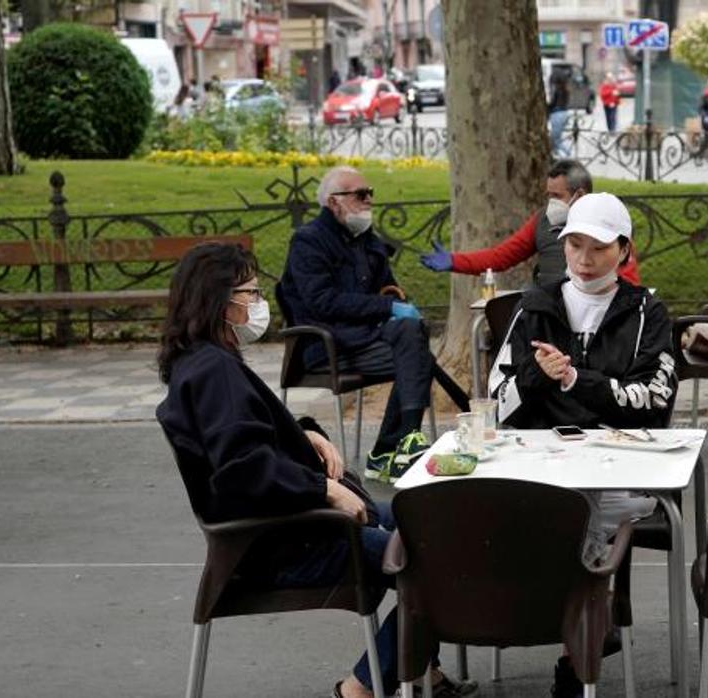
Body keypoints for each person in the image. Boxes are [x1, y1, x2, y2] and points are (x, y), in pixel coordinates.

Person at [155, 243, 474, 698]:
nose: (258, 302)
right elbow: (242, 469)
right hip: (286, 541)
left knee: (423, 520)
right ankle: (362, 687)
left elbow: (246, 434)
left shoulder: (203, 361)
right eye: (250, 292)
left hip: (286, 527)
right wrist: (323, 489)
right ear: (219, 301)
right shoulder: (213, 371)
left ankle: (420, 669)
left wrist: (303, 434)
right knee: (433, 564)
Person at [486, 192, 677, 697]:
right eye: (574, 245)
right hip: (544, 461)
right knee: (550, 506)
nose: (584, 259)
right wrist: (538, 378)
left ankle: (576, 646)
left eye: (598, 247)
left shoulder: (647, 313)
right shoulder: (535, 306)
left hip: (620, 466)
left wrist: (575, 380)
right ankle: (586, 627)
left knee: (584, 509)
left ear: (624, 251)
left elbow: (654, 399)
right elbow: (497, 398)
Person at [280, 166, 456, 482]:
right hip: (327, 345)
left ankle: (396, 446)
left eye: (370, 193)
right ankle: (397, 445)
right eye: (361, 195)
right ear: (334, 202)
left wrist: (396, 304)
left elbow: (388, 289)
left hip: (368, 339)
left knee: (412, 338)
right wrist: (389, 306)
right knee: (416, 353)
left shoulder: (368, 241)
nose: (369, 201)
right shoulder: (308, 242)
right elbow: (323, 302)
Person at [418, 159, 640, 287]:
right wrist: (455, 261)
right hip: (549, 308)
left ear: (579, 195)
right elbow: (501, 257)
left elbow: (628, 281)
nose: (551, 202)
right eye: (574, 244)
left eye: (556, 196)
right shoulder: (541, 221)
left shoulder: (610, 223)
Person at [548, 69, 572, 159]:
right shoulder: (566, 90)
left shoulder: (556, 90)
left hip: (557, 114)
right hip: (564, 113)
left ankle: (568, 155)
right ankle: (555, 157)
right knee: (556, 139)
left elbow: (553, 102)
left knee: (555, 140)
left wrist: (547, 107)